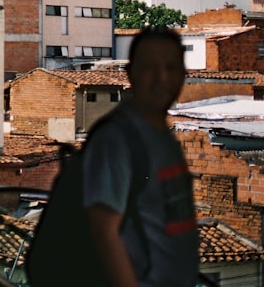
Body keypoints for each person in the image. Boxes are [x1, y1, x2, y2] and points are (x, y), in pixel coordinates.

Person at [82, 27, 199, 287]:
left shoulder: (162, 135)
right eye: (150, 68)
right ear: (131, 73)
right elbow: (103, 232)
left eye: (171, 67)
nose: (162, 78)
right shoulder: (117, 138)